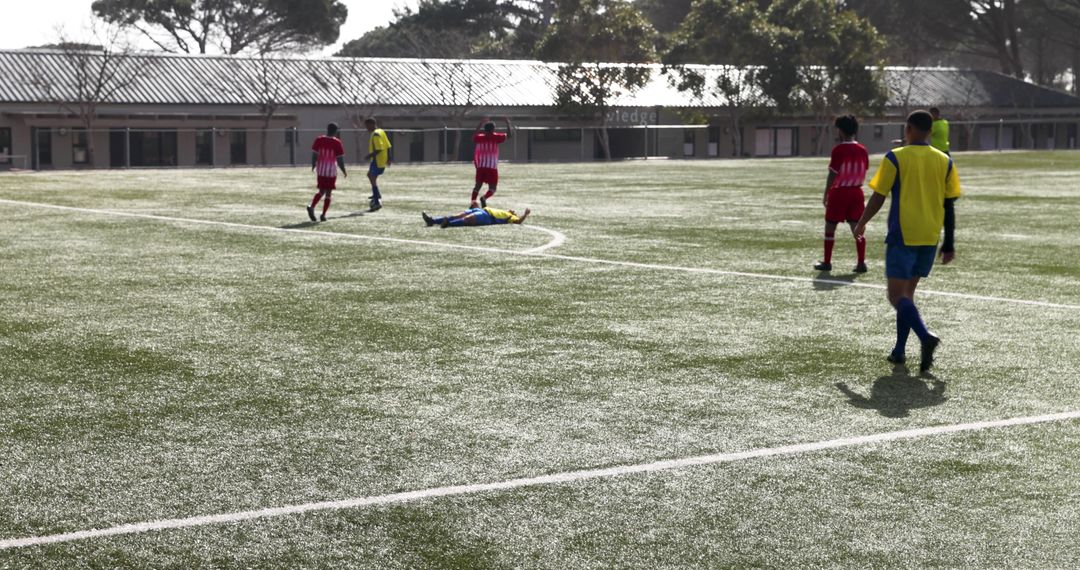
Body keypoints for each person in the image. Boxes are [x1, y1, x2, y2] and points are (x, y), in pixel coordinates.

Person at [854, 110, 961, 373]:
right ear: (931, 131)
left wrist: (862, 221)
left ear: (908, 128)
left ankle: (925, 336)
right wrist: (949, 243)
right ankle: (899, 351)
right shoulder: (945, 160)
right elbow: (949, 205)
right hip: (930, 235)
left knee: (895, 295)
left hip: (904, 233)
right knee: (907, 295)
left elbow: (879, 196)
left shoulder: (896, 157)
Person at [815, 115, 869, 273]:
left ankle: (827, 262)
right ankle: (861, 263)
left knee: (830, 226)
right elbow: (864, 169)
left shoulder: (838, 150)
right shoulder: (863, 149)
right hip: (857, 191)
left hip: (840, 192)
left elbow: (833, 174)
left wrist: (826, 194)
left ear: (840, 130)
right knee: (857, 227)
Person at [307, 123, 346, 222]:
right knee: (328, 193)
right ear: (335, 131)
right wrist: (343, 170)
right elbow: (340, 159)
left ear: (327, 129)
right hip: (331, 170)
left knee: (321, 190)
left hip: (321, 169)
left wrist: (313, 165)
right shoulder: (337, 142)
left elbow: (314, 154)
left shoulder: (319, 139)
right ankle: (323, 214)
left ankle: (312, 206)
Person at [471, 117, 512, 208]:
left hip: (481, 167)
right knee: (493, 188)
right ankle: (484, 198)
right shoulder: (496, 137)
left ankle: (473, 203)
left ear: (484, 129)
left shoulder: (480, 137)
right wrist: (508, 123)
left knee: (477, 187)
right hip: (491, 167)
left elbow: (473, 136)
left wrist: (480, 123)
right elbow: (509, 136)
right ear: (493, 129)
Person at [364, 118, 392, 211]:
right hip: (381, 160)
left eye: (367, 126)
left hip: (377, 161)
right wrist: (389, 158)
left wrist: (369, 155)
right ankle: (377, 194)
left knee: (372, 178)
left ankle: (376, 201)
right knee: (370, 176)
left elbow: (379, 149)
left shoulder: (376, 134)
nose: (366, 128)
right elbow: (388, 145)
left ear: (372, 124)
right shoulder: (381, 131)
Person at [421, 206, 531, 228]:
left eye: (515, 212)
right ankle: (432, 220)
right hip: (481, 210)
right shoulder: (505, 211)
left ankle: (448, 224)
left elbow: (518, 222)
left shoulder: (510, 217)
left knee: (467, 219)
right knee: (457, 215)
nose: (514, 211)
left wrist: (525, 214)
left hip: (487, 217)